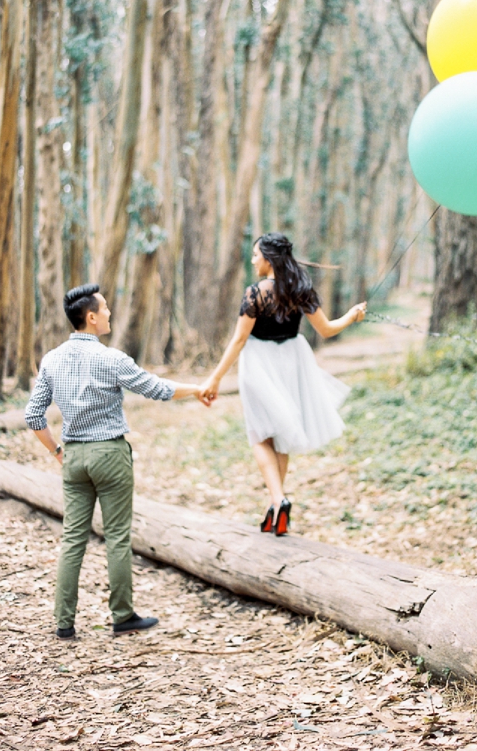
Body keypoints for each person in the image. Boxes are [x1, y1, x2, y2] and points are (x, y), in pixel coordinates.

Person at [25, 283, 211, 640]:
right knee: (117, 538)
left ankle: (64, 623)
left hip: (74, 457)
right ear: (91, 317)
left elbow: (34, 417)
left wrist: (58, 452)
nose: (110, 313)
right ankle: (122, 616)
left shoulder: (51, 359)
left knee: (73, 538)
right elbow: (156, 388)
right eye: (106, 308)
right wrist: (197, 389)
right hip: (110, 454)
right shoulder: (111, 359)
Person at [202, 233, 367, 536]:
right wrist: (351, 317)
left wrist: (214, 378)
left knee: (260, 435)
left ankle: (278, 500)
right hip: (292, 362)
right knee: (281, 434)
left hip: (259, 364)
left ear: (267, 257)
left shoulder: (255, 293)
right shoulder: (300, 289)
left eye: (255, 255)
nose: (253, 260)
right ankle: (277, 505)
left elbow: (239, 339)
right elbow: (328, 329)